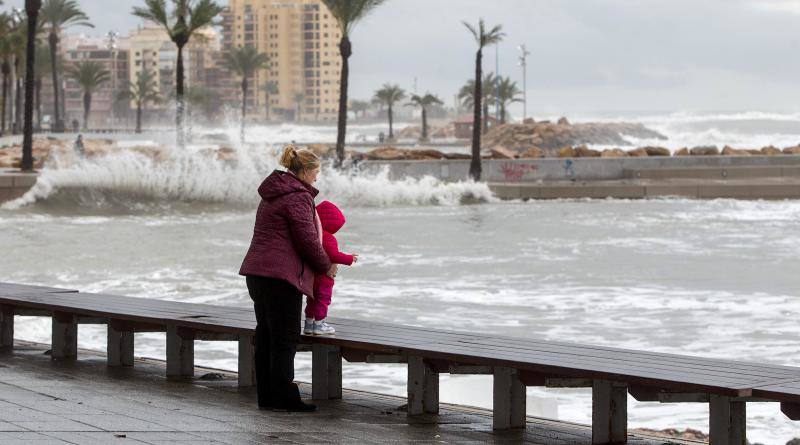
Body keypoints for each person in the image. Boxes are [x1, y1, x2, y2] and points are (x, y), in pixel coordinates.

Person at [239, 144, 336, 412]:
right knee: (284, 337)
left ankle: (268, 396)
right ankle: (285, 396)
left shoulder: (273, 192)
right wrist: (325, 265)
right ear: (304, 171)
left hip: (258, 273)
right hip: (280, 277)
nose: (317, 177)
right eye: (316, 171)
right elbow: (305, 238)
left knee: (267, 335)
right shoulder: (297, 196)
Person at [304, 201, 358, 335]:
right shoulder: (328, 238)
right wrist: (349, 258)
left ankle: (309, 324)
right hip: (324, 279)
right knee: (323, 300)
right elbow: (334, 255)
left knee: (311, 300)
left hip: (312, 278)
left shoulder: (313, 235)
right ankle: (319, 325)